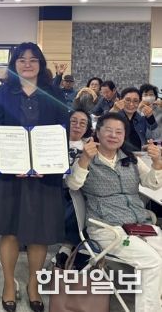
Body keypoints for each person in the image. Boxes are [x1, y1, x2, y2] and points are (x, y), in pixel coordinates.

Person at [0, 42, 69, 312]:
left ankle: (33, 284)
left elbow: (62, 130)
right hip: (11, 173)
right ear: (14, 64)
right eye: (22, 60)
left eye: (33, 59)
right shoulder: (4, 93)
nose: (27, 64)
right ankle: (9, 283)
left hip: (44, 174)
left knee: (39, 234)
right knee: (9, 231)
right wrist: (9, 163)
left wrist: (50, 163)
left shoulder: (53, 93)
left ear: (40, 64)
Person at [67, 112, 162, 312]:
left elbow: (152, 183)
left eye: (119, 132)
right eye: (108, 130)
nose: (113, 135)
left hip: (140, 224)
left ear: (124, 135)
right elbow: (73, 184)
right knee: (152, 262)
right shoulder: (87, 157)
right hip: (108, 229)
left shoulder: (131, 159)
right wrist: (84, 158)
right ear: (97, 132)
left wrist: (157, 164)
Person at [54, 109, 93, 267]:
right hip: (51, 184)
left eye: (83, 123)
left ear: (87, 127)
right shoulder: (54, 141)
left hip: (74, 188)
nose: (77, 126)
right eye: (73, 121)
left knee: (75, 199)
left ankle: (68, 246)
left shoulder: (88, 147)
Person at [110, 87, 158, 152]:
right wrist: (114, 110)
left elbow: (154, 137)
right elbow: (101, 128)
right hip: (116, 154)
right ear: (121, 100)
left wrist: (150, 119)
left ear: (139, 102)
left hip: (139, 155)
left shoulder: (142, 118)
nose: (131, 104)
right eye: (128, 100)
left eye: (135, 101)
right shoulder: (115, 116)